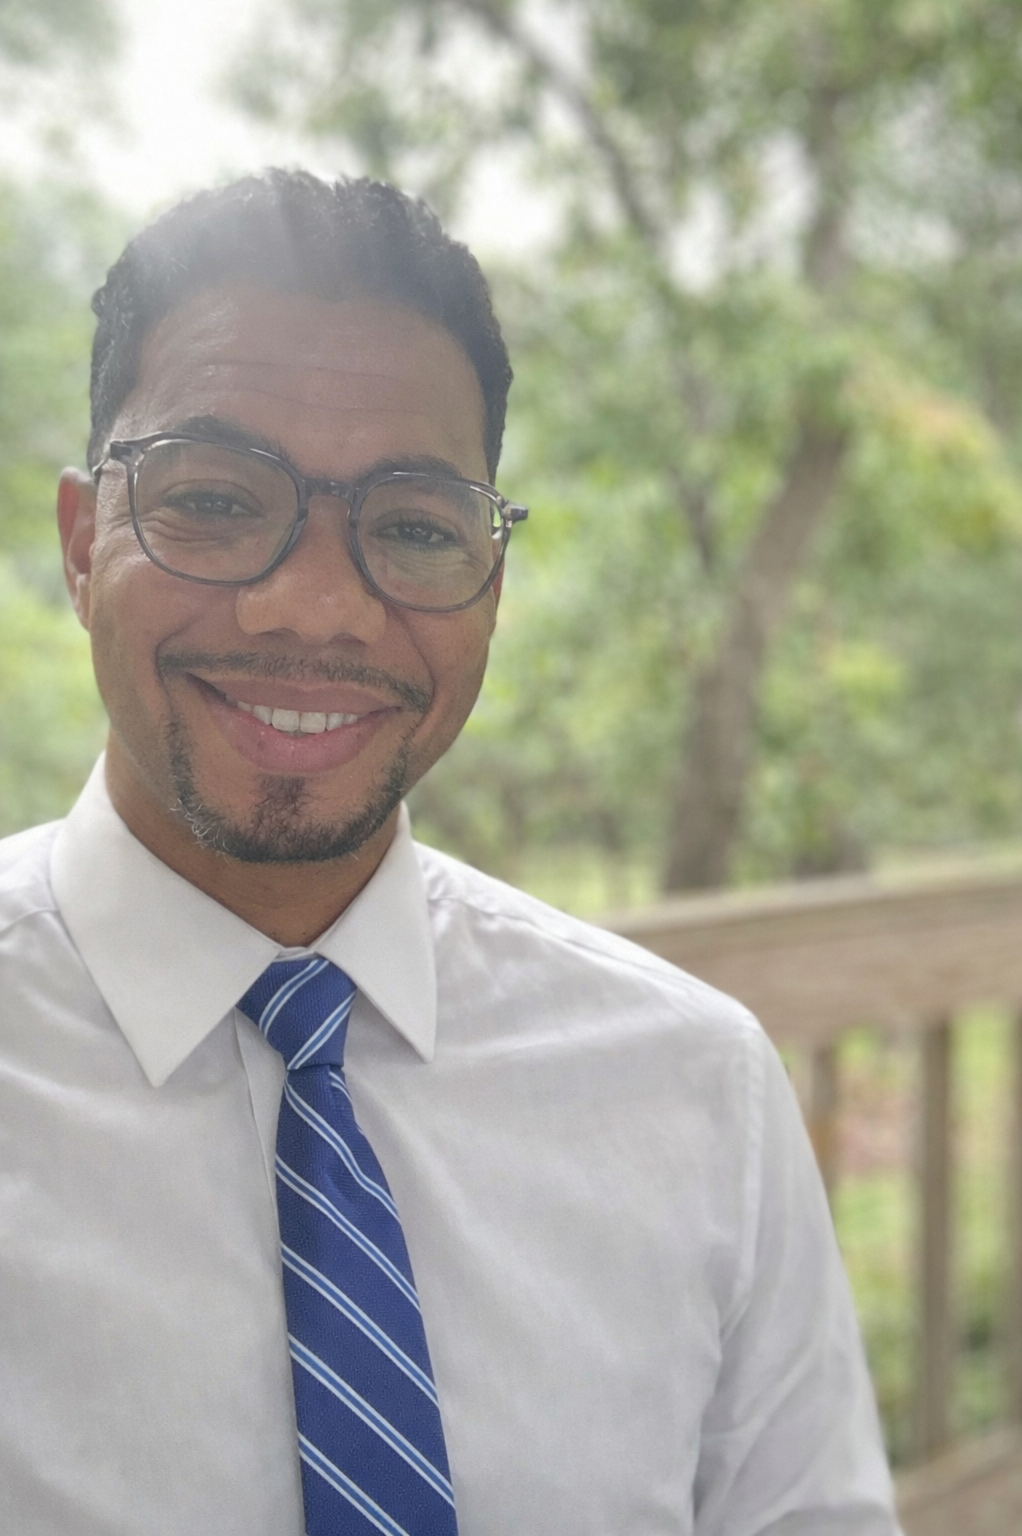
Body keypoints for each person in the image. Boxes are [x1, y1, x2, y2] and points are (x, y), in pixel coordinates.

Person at [0, 169, 901, 1535]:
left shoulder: (694, 1089)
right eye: (216, 501)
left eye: (414, 527)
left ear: (491, 580)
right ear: (82, 546)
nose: (316, 605)